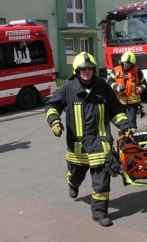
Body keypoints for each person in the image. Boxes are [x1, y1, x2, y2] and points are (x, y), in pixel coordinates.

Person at [45, 52, 135, 227]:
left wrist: (125, 125)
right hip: (77, 147)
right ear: (77, 70)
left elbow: (116, 110)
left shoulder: (102, 86)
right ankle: (72, 183)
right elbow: (51, 105)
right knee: (76, 176)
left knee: (102, 181)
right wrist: (54, 120)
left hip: (100, 144)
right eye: (83, 69)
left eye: (90, 68)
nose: (87, 71)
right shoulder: (68, 87)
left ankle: (99, 213)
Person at [107, 51, 147, 127]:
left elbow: (144, 83)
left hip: (132, 104)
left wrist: (142, 88)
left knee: (131, 122)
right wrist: (116, 87)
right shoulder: (115, 70)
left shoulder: (137, 71)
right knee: (121, 124)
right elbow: (109, 82)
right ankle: (122, 138)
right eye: (125, 64)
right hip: (119, 103)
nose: (126, 65)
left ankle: (132, 138)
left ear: (132, 63)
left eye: (129, 64)